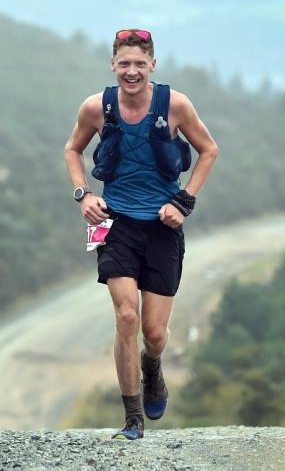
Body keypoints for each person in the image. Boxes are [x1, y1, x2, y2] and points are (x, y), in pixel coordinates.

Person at [64, 29, 218, 440]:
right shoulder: (96, 108)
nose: (131, 71)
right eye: (124, 63)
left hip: (163, 227)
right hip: (112, 222)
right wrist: (83, 196)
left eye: (139, 64)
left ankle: (153, 364)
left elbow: (209, 151)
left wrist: (183, 202)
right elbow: (72, 150)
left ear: (153, 65)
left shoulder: (176, 105)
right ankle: (132, 418)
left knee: (153, 331)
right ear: (113, 65)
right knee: (126, 316)